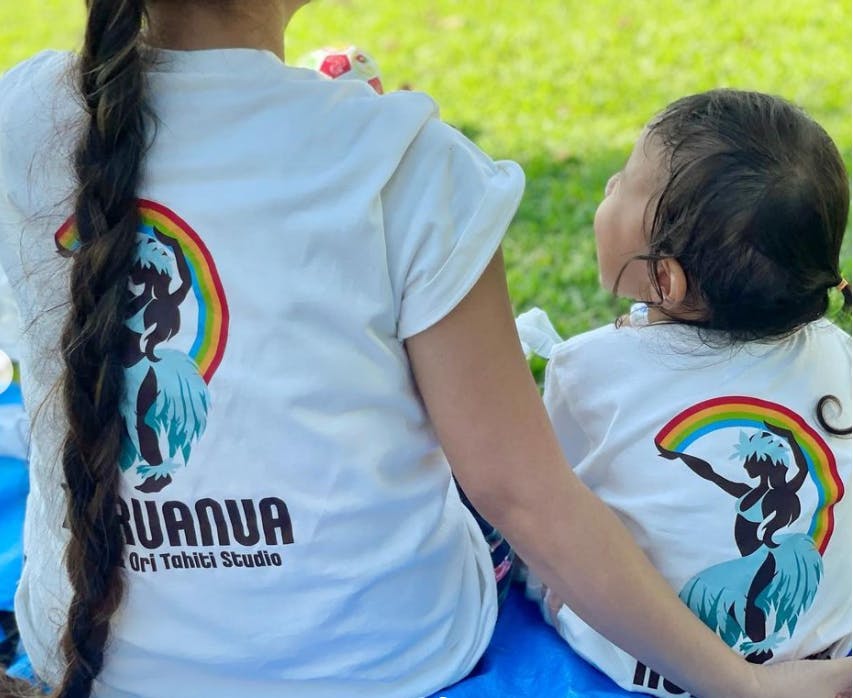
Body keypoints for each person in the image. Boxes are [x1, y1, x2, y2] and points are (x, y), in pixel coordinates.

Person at [0, 1, 848, 695]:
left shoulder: (21, 117)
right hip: (382, 662)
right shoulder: (410, 163)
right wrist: (741, 686)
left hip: (92, 652)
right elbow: (518, 493)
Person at [521, 89, 852, 696]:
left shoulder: (587, 369)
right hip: (828, 652)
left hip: (650, 670)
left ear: (665, 279)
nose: (609, 185)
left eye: (623, 184)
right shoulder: (840, 351)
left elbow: (544, 501)